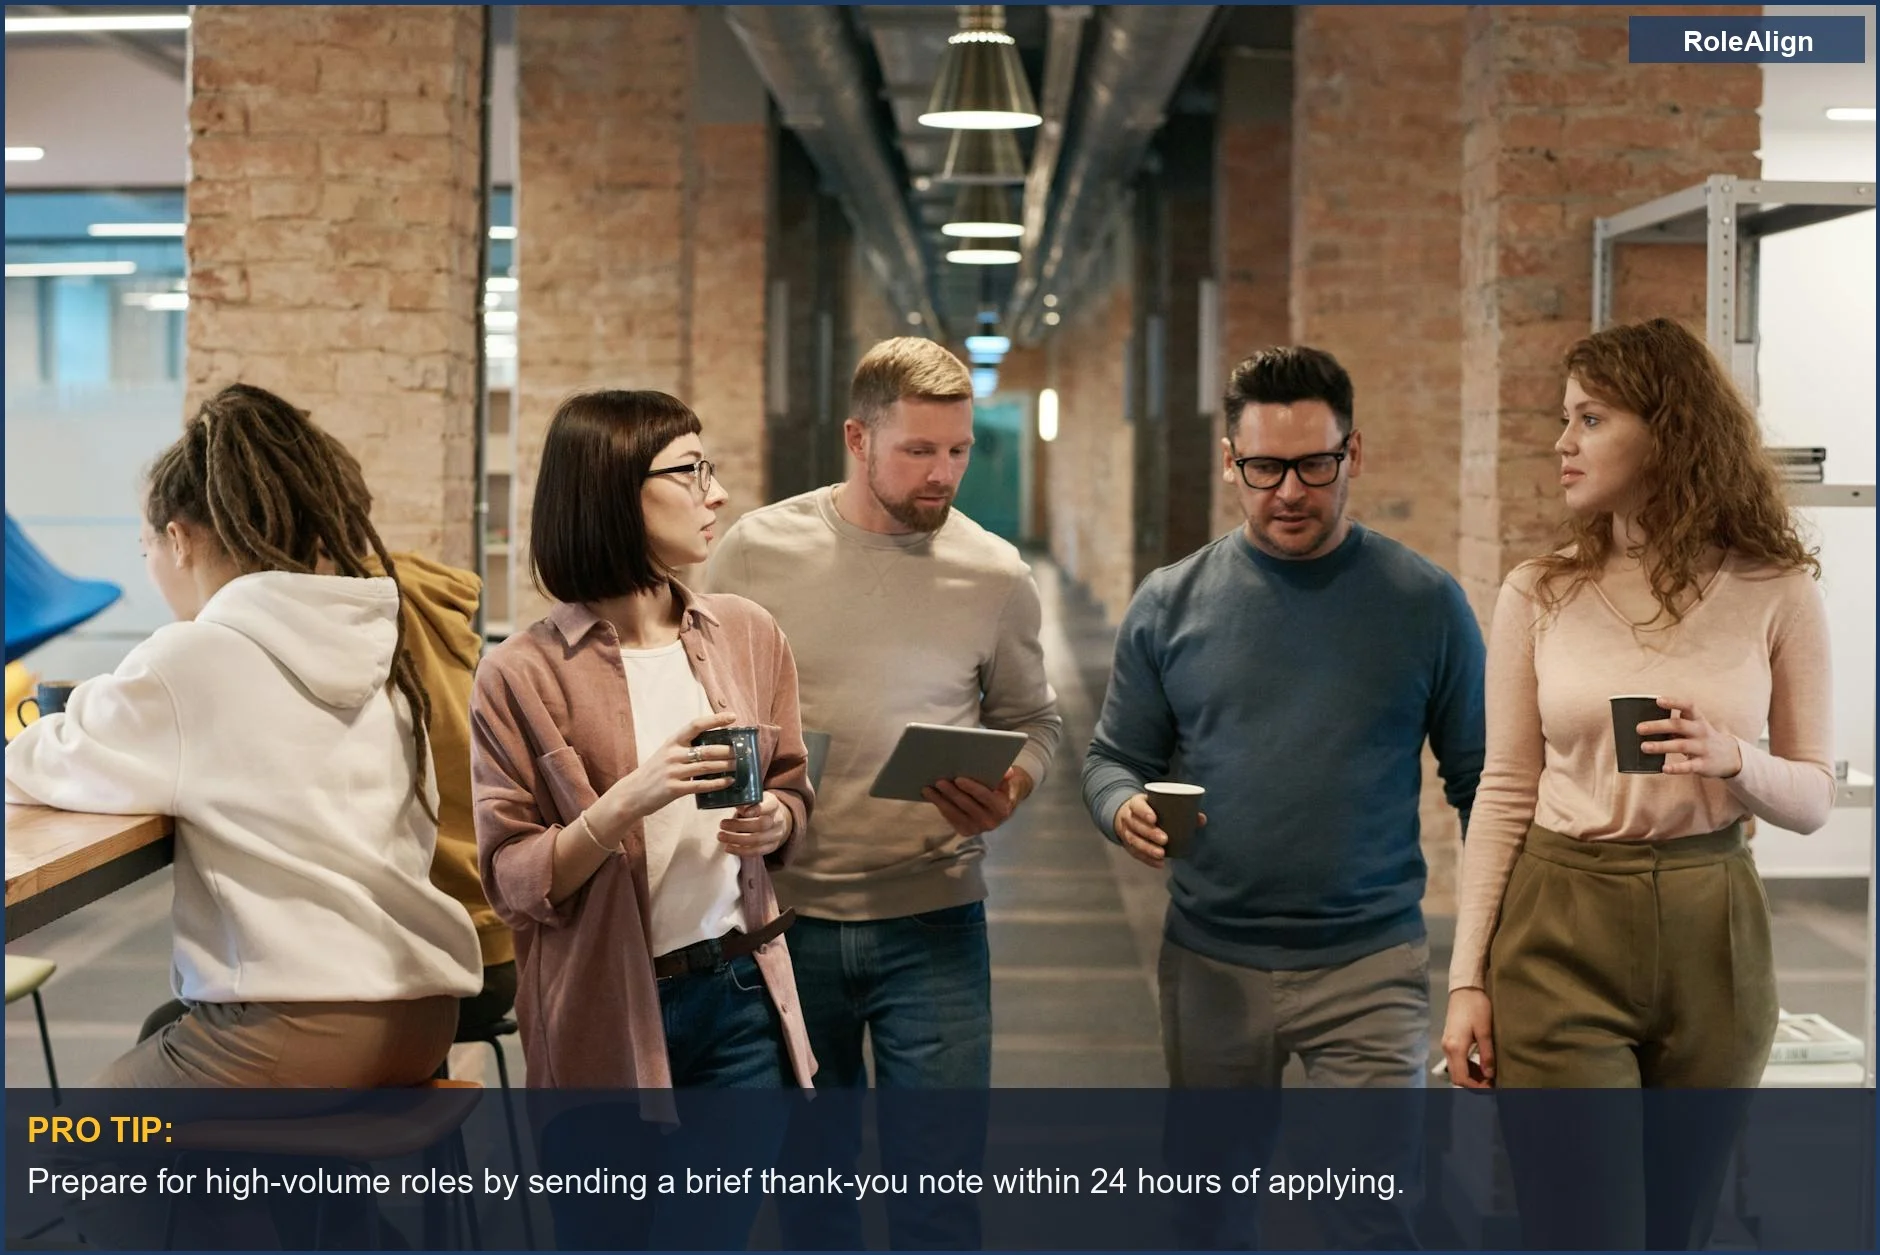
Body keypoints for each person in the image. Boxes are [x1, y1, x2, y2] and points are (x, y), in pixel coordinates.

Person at [1441, 318, 1834, 1249]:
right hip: (1561, 917)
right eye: (1564, 419)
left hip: (1715, 927)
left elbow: (1815, 795)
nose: (1561, 442)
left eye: (1590, 418)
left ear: (1667, 428)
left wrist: (1735, 758)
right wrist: (1466, 980)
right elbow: (1503, 788)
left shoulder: (1775, 586)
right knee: (1586, 1230)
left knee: (1676, 1230)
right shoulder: (1539, 591)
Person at [1082, 345, 1484, 1248]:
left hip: (1371, 964)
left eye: (1315, 464)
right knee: (1208, 1216)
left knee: (1370, 1219)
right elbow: (1111, 757)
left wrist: (1486, 965)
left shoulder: (1425, 605)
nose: (1290, 490)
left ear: (1354, 455)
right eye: (1264, 467)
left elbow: (1483, 787)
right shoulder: (1170, 603)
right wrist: (1122, 807)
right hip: (1211, 963)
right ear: (1230, 461)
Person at [5, 383, 483, 1087]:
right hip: (424, 1013)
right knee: (161, 1030)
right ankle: (315, 1201)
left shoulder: (195, 657)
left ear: (178, 539)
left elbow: (42, 763)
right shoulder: (378, 644)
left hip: (303, 1029)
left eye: (146, 553)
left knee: (78, 1132)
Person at [705, 336, 1063, 1250]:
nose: (943, 474)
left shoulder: (992, 572)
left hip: (933, 919)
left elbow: (1036, 719)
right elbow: (707, 697)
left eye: (958, 450)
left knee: (937, 1204)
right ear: (857, 439)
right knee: (812, 1204)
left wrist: (1013, 780)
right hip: (786, 922)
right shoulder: (756, 551)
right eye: (919, 451)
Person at [469, 389, 815, 1250]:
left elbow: (796, 789)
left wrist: (777, 819)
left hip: (739, 1000)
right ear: (613, 491)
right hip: (601, 1015)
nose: (718, 494)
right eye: (691, 470)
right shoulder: (521, 674)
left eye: (711, 468)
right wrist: (630, 796)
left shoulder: (745, 632)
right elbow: (512, 878)